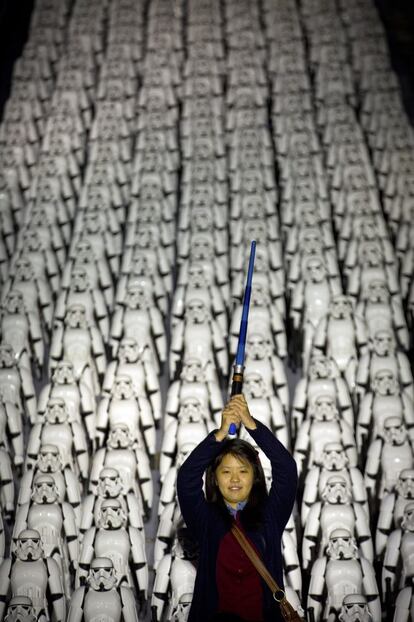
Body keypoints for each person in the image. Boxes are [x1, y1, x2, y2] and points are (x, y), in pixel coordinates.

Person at [176, 394, 298, 622]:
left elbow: (287, 469)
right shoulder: (205, 520)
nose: (234, 479)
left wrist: (251, 424)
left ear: (255, 477)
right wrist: (220, 435)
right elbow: (186, 479)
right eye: (226, 471)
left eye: (243, 471)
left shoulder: (270, 517)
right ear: (214, 478)